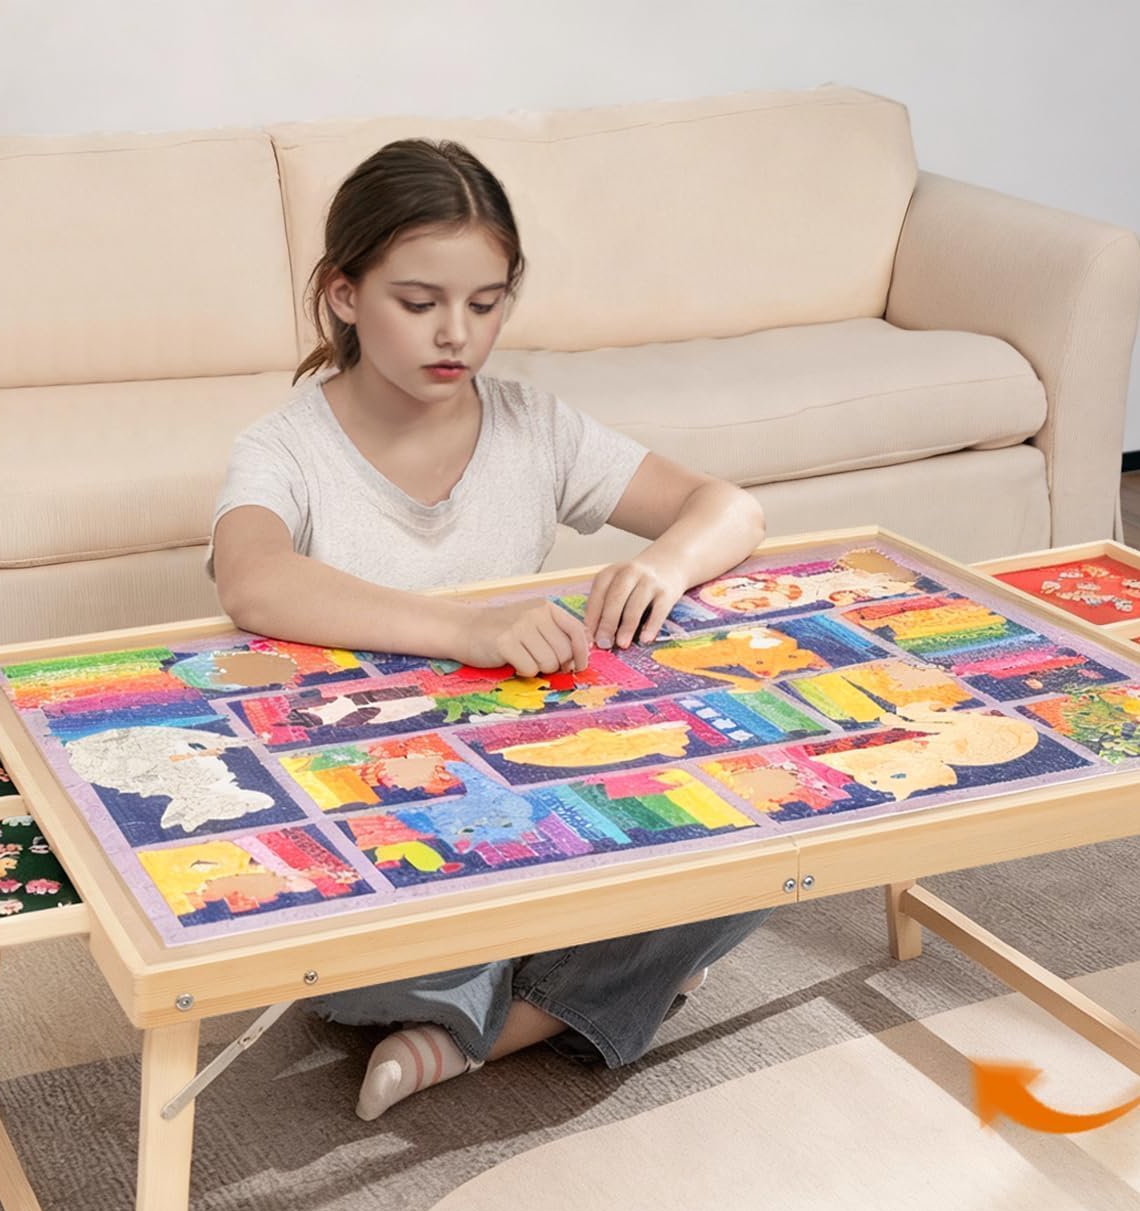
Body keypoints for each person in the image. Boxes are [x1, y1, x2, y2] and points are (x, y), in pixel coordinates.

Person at [207, 138, 777, 1122]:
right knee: (298, 950)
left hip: (549, 808)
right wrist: (467, 628)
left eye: (485, 303)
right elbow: (253, 581)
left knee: (770, 836)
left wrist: (661, 562)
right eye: (419, 303)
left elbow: (729, 507)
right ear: (344, 294)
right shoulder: (284, 448)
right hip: (388, 821)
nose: (455, 335)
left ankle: (480, 1029)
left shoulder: (536, 426)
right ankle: (567, 997)